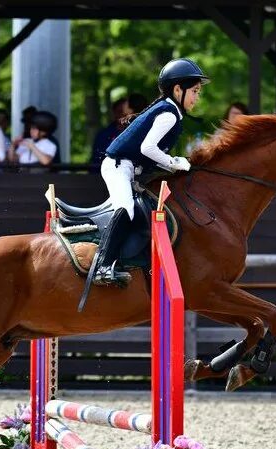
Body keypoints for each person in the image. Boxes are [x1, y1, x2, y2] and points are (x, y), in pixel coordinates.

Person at [93, 58, 209, 287]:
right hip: (118, 167)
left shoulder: (170, 110)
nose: (197, 97)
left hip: (130, 169)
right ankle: (102, 267)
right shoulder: (169, 114)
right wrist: (174, 162)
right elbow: (147, 148)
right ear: (178, 89)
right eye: (194, 91)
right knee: (126, 209)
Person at [90, 97, 128, 165]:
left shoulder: (139, 132)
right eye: (120, 112)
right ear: (114, 112)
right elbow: (96, 159)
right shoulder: (103, 135)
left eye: (126, 113)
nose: (123, 115)